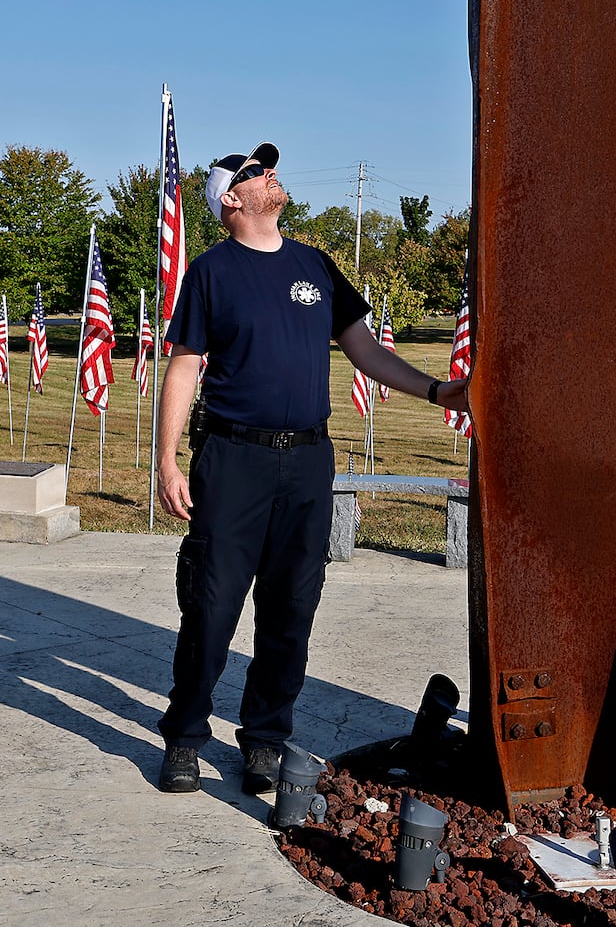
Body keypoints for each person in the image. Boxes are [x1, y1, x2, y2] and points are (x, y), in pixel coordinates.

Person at [154, 142, 469, 794]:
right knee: (211, 610)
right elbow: (185, 365)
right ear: (231, 200)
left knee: (290, 610)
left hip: (306, 462)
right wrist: (166, 457)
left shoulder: (315, 266)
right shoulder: (211, 272)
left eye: (267, 167)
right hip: (233, 459)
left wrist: (437, 392)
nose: (269, 174)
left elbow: (366, 352)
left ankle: (265, 741)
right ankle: (185, 736)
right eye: (252, 172)